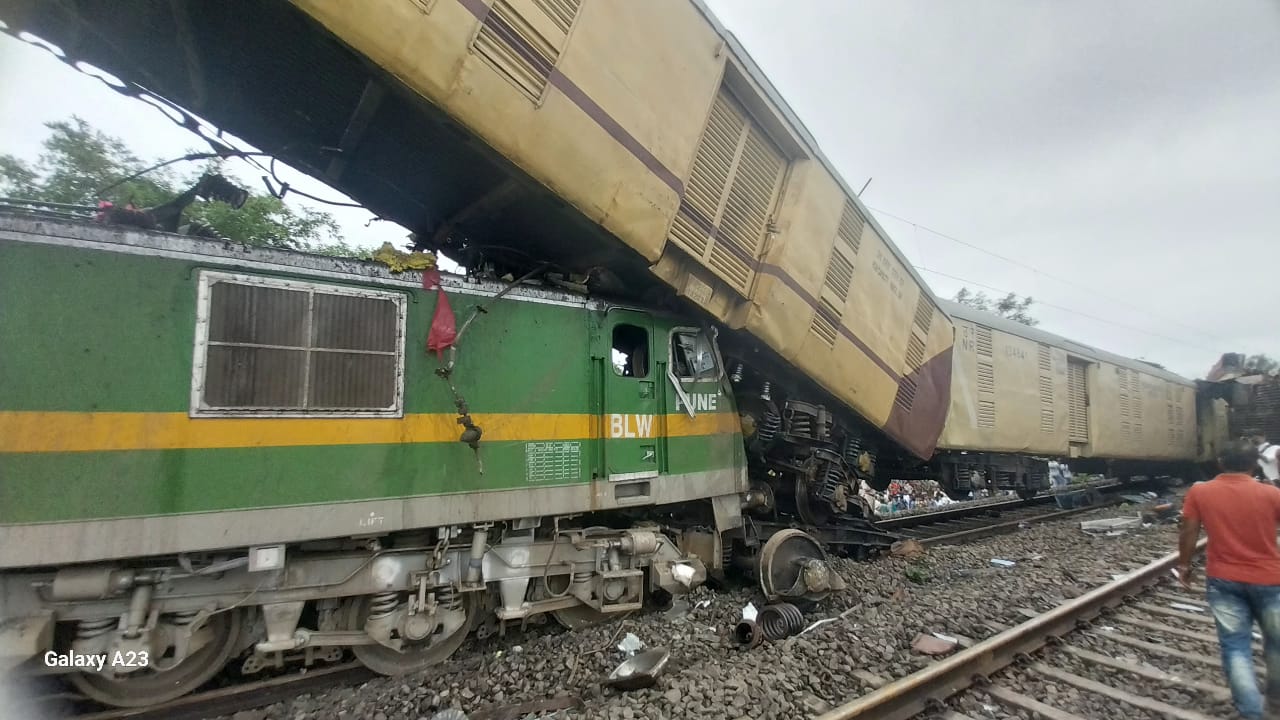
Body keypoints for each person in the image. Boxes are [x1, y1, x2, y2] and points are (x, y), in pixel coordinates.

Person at [1179, 438, 1280, 720]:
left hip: (1223, 580)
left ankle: (1251, 712)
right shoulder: (1271, 494)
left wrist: (1184, 566)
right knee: (1276, 642)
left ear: (1220, 462)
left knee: (1235, 646)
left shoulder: (1201, 492)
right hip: (1270, 580)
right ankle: (1276, 699)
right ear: (1254, 464)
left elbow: (1188, 532)